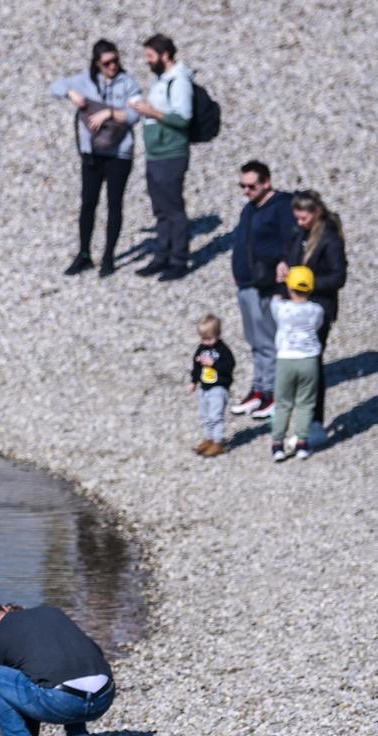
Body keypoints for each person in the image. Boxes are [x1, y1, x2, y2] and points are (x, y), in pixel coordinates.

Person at [0, 598, 115, 736]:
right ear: (3, 609)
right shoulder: (52, 612)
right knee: (62, 667)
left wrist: (10, 716)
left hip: (65, 704)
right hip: (104, 695)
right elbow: (95, 651)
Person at [50, 39, 142, 276]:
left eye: (116, 61)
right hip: (91, 154)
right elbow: (55, 85)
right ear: (97, 64)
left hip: (119, 153)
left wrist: (109, 113)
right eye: (107, 63)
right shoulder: (84, 80)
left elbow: (134, 114)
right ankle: (84, 254)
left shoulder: (128, 83)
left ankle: (109, 256)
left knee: (114, 204)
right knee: (88, 203)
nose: (113, 66)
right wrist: (71, 93)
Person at [276, 191, 346, 436]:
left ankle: (315, 422)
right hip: (296, 305)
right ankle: (290, 415)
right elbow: (289, 258)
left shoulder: (330, 239)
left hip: (318, 309)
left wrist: (307, 282)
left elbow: (339, 277)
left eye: (303, 218)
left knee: (311, 363)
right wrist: (284, 267)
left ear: (316, 213)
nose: (299, 222)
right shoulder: (299, 234)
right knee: (291, 359)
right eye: (297, 218)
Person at [231, 161, 295, 418]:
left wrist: (283, 268)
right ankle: (258, 389)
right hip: (246, 283)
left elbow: (292, 243)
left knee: (268, 341)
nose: (246, 191)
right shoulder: (249, 208)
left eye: (251, 186)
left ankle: (272, 392)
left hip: (267, 285)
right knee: (254, 340)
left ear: (266, 182)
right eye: (242, 186)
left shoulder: (281, 207)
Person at [128, 34, 193, 281]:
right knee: (160, 208)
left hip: (171, 153)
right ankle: (162, 255)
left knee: (173, 208)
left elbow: (182, 118)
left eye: (150, 56)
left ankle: (179, 260)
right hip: (156, 154)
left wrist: (150, 111)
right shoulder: (162, 80)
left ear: (164, 55)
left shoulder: (179, 81)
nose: (146, 61)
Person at [268, 266, 324, 461]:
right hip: (309, 360)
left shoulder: (282, 308)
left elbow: (274, 302)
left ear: (290, 288)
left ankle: (277, 445)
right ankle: (302, 442)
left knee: (283, 403)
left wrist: (281, 283)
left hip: (286, 359)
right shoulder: (317, 310)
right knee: (305, 403)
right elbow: (317, 325)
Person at [188, 314, 235, 457]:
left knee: (216, 416)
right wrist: (193, 381)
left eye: (209, 339)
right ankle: (208, 438)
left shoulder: (222, 350)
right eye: (203, 339)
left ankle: (218, 441)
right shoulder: (201, 348)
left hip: (219, 388)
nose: (206, 342)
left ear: (218, 335)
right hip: (205, 387)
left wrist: (214, 364)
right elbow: (196, 366)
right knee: (205, 415)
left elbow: (229, 365)